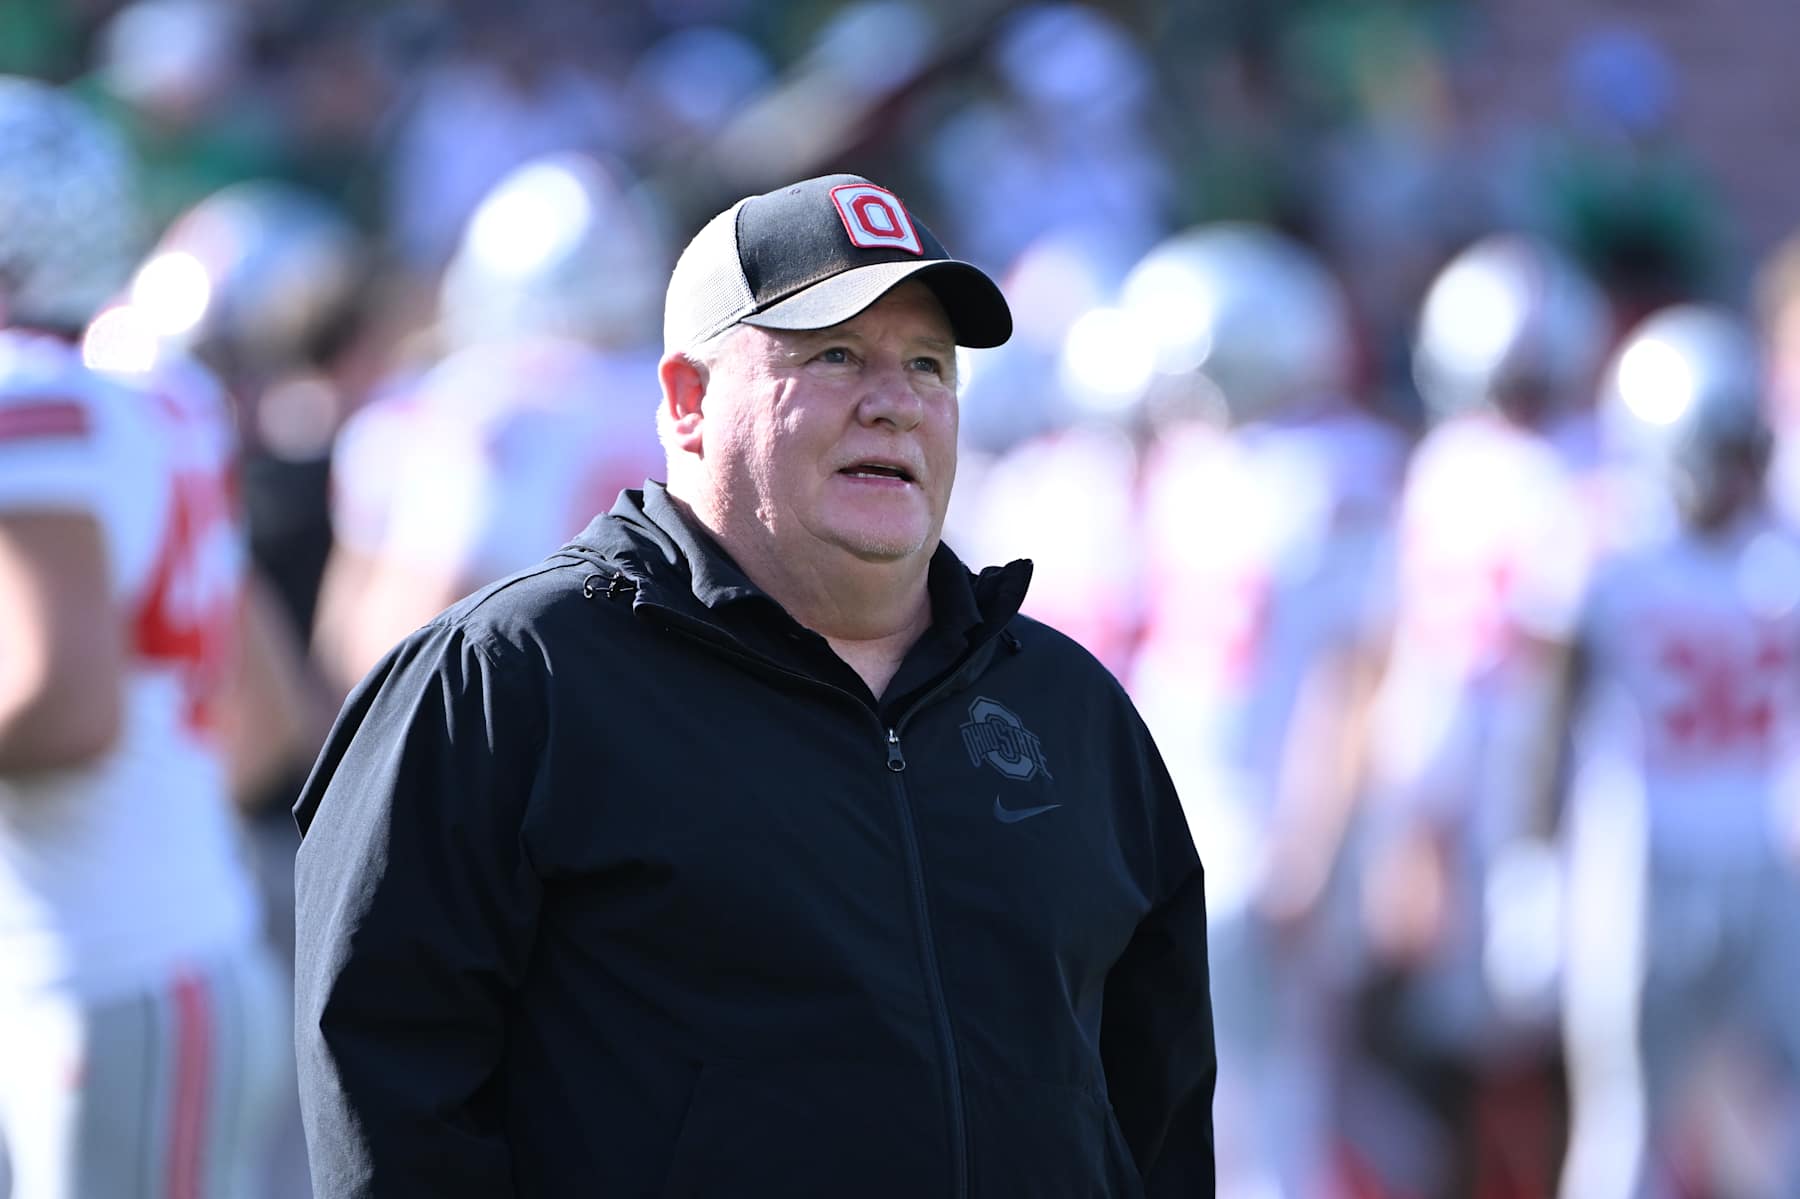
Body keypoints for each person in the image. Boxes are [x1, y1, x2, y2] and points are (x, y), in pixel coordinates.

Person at [292, 172, 1216, 1197]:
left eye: (927, 364)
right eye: (833, 354)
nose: (894, 402)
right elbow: (389, 1100)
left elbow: (1158, 1106)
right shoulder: (511, 679)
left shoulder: (1066, 706)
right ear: (688, 401)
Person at [0, 75, 289, 1197]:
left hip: (109, 980)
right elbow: (264, 718)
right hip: (157, 960)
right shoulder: (152, 400)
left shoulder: (34, 400)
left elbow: (66, 707)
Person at [1552, 305, 1800, 1199]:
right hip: (1638, 864)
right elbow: (1551, 721)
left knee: (1780, 1114)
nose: (1735, 474)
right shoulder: (1608, 556)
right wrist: (1533, 864)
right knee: (1626, 1125)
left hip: (1765, 859)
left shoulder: (1780, 557)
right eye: (1717, 447)